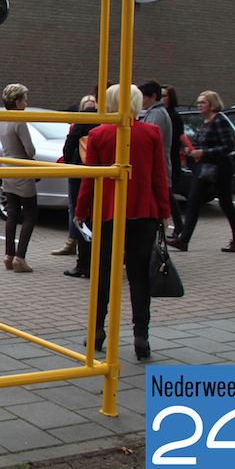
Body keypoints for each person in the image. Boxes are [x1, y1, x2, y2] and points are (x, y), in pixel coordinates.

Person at [75, 84, 170, 360]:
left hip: (108, 213)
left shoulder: (98, 134)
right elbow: (158, 176)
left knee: (103, 274)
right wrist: (163, 210)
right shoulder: (151, 133)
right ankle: (141, 337)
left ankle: (97, 331)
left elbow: (90, 178)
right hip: (143, 212)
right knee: (139, 277)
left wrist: (81, 209)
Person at [167, 90, 235, 253]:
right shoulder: (205, 122)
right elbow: (201, 143)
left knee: (226, 203)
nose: (199, 105)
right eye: (198, 102)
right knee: (193, 201)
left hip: (221, 168)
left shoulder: (219, 120)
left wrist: (203, 152)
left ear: (212, 104)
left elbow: (228, 146)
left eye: (203, 102)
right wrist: (192, 150)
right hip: (205, 167)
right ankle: (183, 240)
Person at [0, 83, 37, 273]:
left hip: (7, 168)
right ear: (17, 101)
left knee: (12, 212)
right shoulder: (19, 120)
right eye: (24, 100)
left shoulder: (1, 119)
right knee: (30, 214)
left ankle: (9, 255)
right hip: (22, 169)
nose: (26, 103)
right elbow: (29, 150)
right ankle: (20, 257)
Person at [61, 94, 98, 277]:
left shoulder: (85, 118)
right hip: (108, 174)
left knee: (82, 215)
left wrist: (70, 165)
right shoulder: (115, 118)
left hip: (82, 172)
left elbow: (69, 145)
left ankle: (84, 263)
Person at [139, 80, 182, 235]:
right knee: (166, 197)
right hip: (160, 166)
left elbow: (148, 139)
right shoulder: (154, 112)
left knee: (164, 198)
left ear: (153, 96)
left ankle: (176, 229)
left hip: (158, 166)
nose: (141, 101)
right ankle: (178, 228)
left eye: (143, 97)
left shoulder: (156, 114)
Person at [162, 85, 187, 235]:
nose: (162, 99)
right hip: (168, 158)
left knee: (168, 193)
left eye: (164, 96)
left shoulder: (173, 116)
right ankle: (178, 226)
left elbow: (178, 137)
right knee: (168, 194)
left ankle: (179, 226)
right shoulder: (163, 113)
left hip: (170, 158)